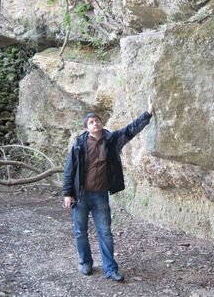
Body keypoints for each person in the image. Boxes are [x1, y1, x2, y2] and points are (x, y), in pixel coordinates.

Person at [63, 96, 155, 281]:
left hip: (100, 196)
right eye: (91, 122)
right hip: (80, 195)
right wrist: (67, 194)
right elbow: (69, 170)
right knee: (80, 231)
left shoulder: (112, 140)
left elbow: (130, 130)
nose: (95, 123)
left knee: (105, 231)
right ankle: (86, 263)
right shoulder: (79, 145)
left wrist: (148, 114)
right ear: (86, 128)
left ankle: (110, 269)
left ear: (101, 123)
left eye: (97, 120)